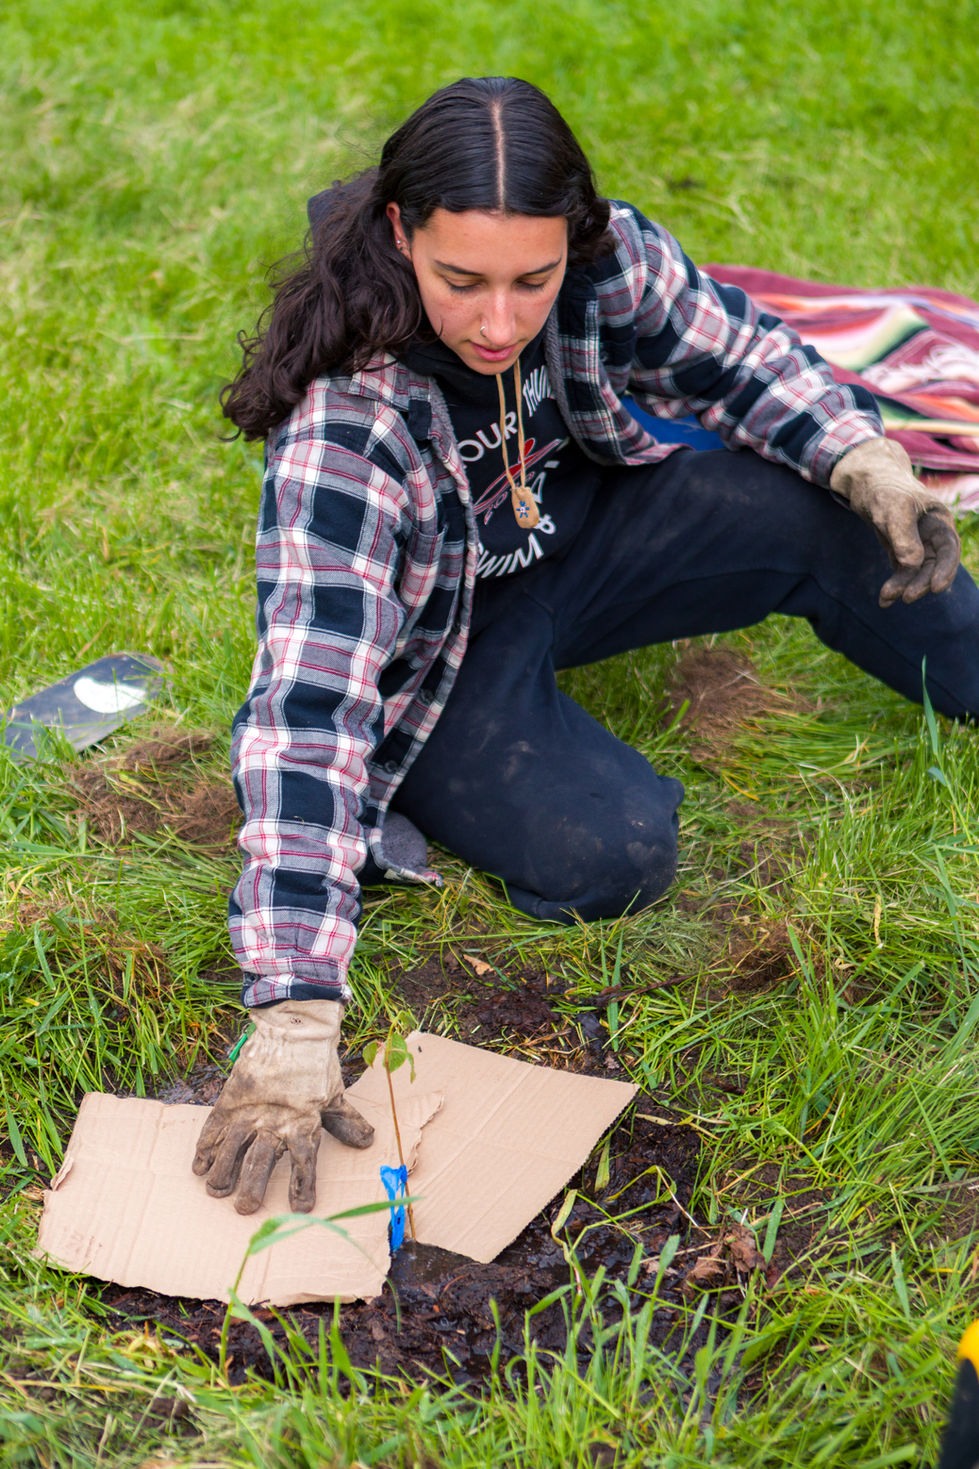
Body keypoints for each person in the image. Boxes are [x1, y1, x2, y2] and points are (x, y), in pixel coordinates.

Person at [192, 76, 977, 1216]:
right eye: (461, 283)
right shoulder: (346, 426)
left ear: (574, 239)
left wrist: (858, 452)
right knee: (612, 855)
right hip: (450, 629)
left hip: (584, 525)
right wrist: (296, 1010)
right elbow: (310, 708)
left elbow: (738, 357)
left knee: (832, 508)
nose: (501, 322)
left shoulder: (608, 259)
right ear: (403, 234)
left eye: (532, 280)